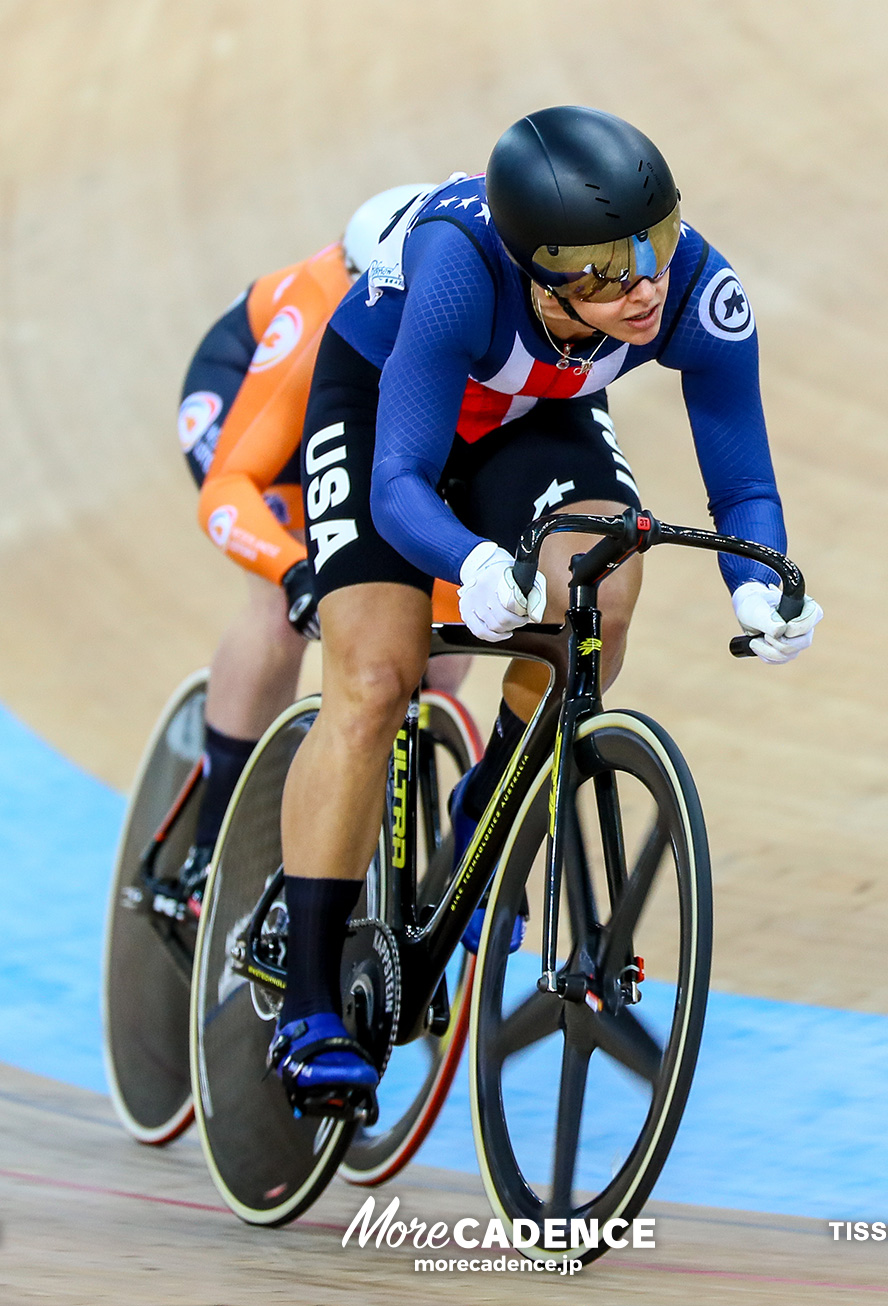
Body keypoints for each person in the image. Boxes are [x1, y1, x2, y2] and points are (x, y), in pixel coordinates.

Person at [267, 107, 822, 1109]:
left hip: (539, 412)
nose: (643, 282)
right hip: (384, 407)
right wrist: (471, 562)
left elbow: (741, 475)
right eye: (605, 270)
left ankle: (489, 802)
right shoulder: (456, 267)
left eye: (651, 243)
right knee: (378, 673)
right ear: (534, 269)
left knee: (604, 584)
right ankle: (306, 1000)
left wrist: (761, 579)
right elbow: (399, 483)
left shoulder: (694, 286)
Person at [168, 183, 466, 904]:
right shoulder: (323, 311)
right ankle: (213, 843)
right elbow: (229, 490)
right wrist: (292, 566)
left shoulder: (454, 306)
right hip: (256, 414)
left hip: (360, 421)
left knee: (446, 645)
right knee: (283, 608)